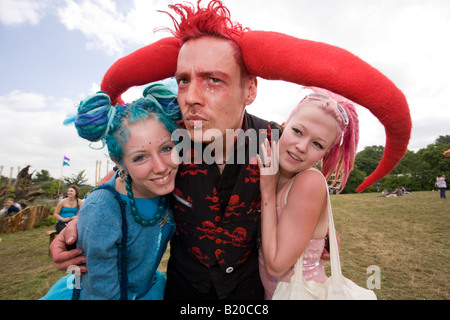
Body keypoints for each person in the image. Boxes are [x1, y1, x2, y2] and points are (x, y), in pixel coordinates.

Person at [49, 0, 410, 300]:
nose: (190, 97)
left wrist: (323, 233)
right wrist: (79, 222)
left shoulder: (277, 141)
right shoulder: (168, 141)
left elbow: (306, 189)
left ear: (249, 89)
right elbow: (130, 174)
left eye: (213, 80)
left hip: (248, 291)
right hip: (183, 289)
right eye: (184, 80)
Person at [41, 83, 181, 299]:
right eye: (140, 157)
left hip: (148, 288)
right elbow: (100, 292)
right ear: (119, 163)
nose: (161, 167)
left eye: (166, 148)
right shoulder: (102, 210)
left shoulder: (172, 184)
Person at [257, 88, 359, 299]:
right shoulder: (269, 163)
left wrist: (267, 192)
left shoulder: (309, 181)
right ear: (284, 125)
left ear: (326, 152)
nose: (301, 146)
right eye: (298, 131)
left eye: (317, 144)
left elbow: (276, 266)